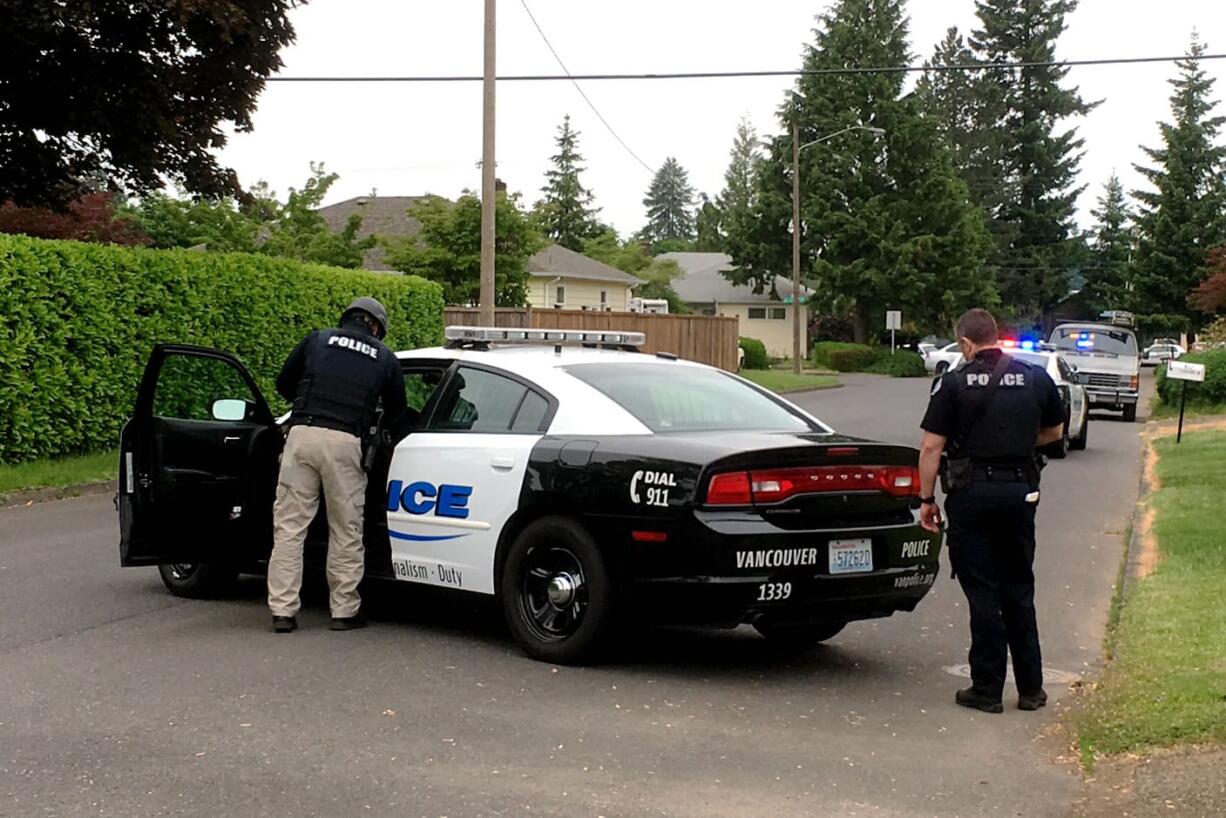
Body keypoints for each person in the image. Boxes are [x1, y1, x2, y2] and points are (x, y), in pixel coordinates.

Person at [916, 309, 1065, 713]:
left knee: (983, 590)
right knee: (1018, 585)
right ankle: (1031, 689)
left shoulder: (953, 384)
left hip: (972, 495)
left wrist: (926, 500)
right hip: (1020, 491)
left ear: (965, 343)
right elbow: (1055, 431)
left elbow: (931, 448)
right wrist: (1017, 441)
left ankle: (986, 688)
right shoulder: (1035, 378)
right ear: (996, 337)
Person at [267, 297, 407, 633]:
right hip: (345, 442)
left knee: (289, 529)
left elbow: (284, 384)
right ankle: (344, 611)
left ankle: (283, 612)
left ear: (348, 320)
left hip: (301, 435)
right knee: (345, 530)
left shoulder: (316, 339)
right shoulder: (383, 357)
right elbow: (398, 412)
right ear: (376, 327)